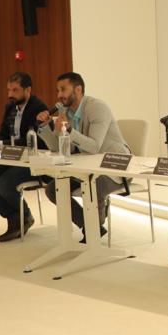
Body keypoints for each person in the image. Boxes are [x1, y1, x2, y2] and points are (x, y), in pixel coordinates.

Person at [35, 72, 129, 242]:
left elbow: (94, 147)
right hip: (86, 166)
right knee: (53, 190)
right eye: (57, 90)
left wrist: (69, 130)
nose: (59, 95)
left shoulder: (97, 107)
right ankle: (92, 227)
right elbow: (57, 148)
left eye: (63, 89)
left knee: (94, 185)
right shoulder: (65, 112)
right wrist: (46, 126)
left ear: (78, 90)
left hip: (114, 165)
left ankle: (93, 231)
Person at [0, 72, 49, 242]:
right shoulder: (10, 107)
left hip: (33, 160)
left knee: (4, 182)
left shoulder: (39, 108)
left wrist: (2, 143)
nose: (10, 94)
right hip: (12, 157)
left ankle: (23, 217)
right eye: (9, 90)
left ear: (27, 90)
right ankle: (15, 217)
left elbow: (34, 140)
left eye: (15, 90)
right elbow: (3, 133)